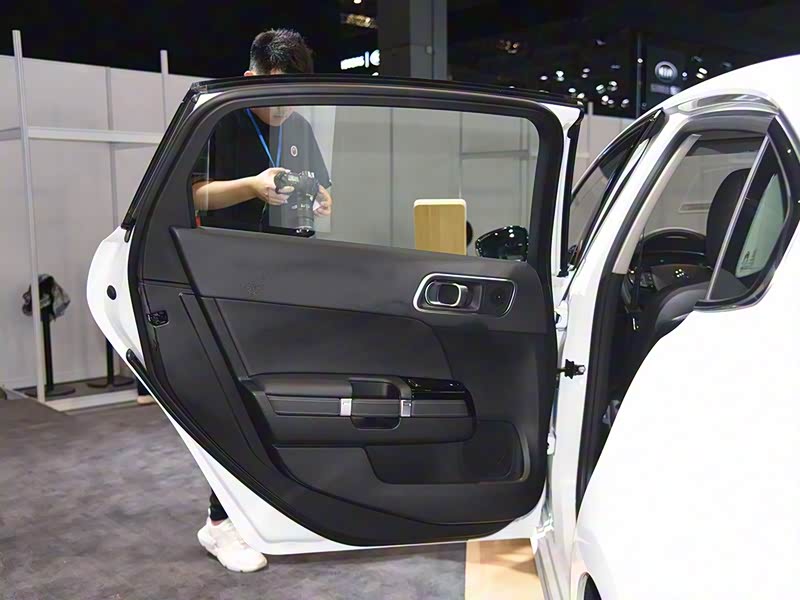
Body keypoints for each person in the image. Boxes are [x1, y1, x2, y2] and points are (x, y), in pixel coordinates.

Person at [193, 28, 331, 573]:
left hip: (289, 279)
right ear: (250, 78)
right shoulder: (220, 119)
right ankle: (220, 523)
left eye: (293, 95)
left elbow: (323, 188)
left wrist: (321, 198)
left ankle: (265, 511)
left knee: (282, 401)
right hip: (228, 280)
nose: (282, 108)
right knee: (233, 404)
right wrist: (251, 185)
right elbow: (193, 194)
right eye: (274, 94)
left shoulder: (299, 127)